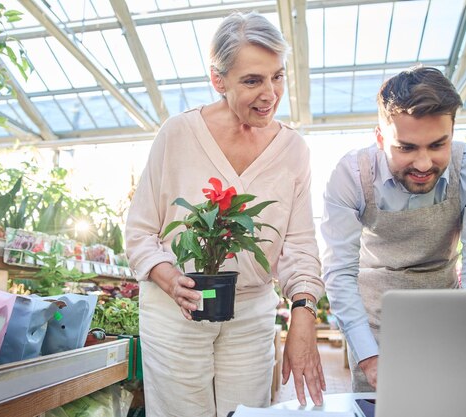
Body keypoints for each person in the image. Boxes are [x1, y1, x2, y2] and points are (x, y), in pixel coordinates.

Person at [125, 12, 325, 417]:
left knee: (245, 412)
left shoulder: (293, 151)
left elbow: (299, 244)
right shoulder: (178, 135)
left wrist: (304, 311)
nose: (270, 93)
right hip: (175, 310)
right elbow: (140, 231)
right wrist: (169, 278)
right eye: (252, 80)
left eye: (278, 76)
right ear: (218, 81)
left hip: (250, 311)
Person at [320, 66, 466, 392]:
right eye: (406, 148)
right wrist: (368, 355)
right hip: (373, 324)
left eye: (437, 145)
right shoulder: (351, 175)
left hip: (450, 318)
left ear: (452, 132)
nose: (423, 164)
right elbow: (339, 271)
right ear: (380, 139)